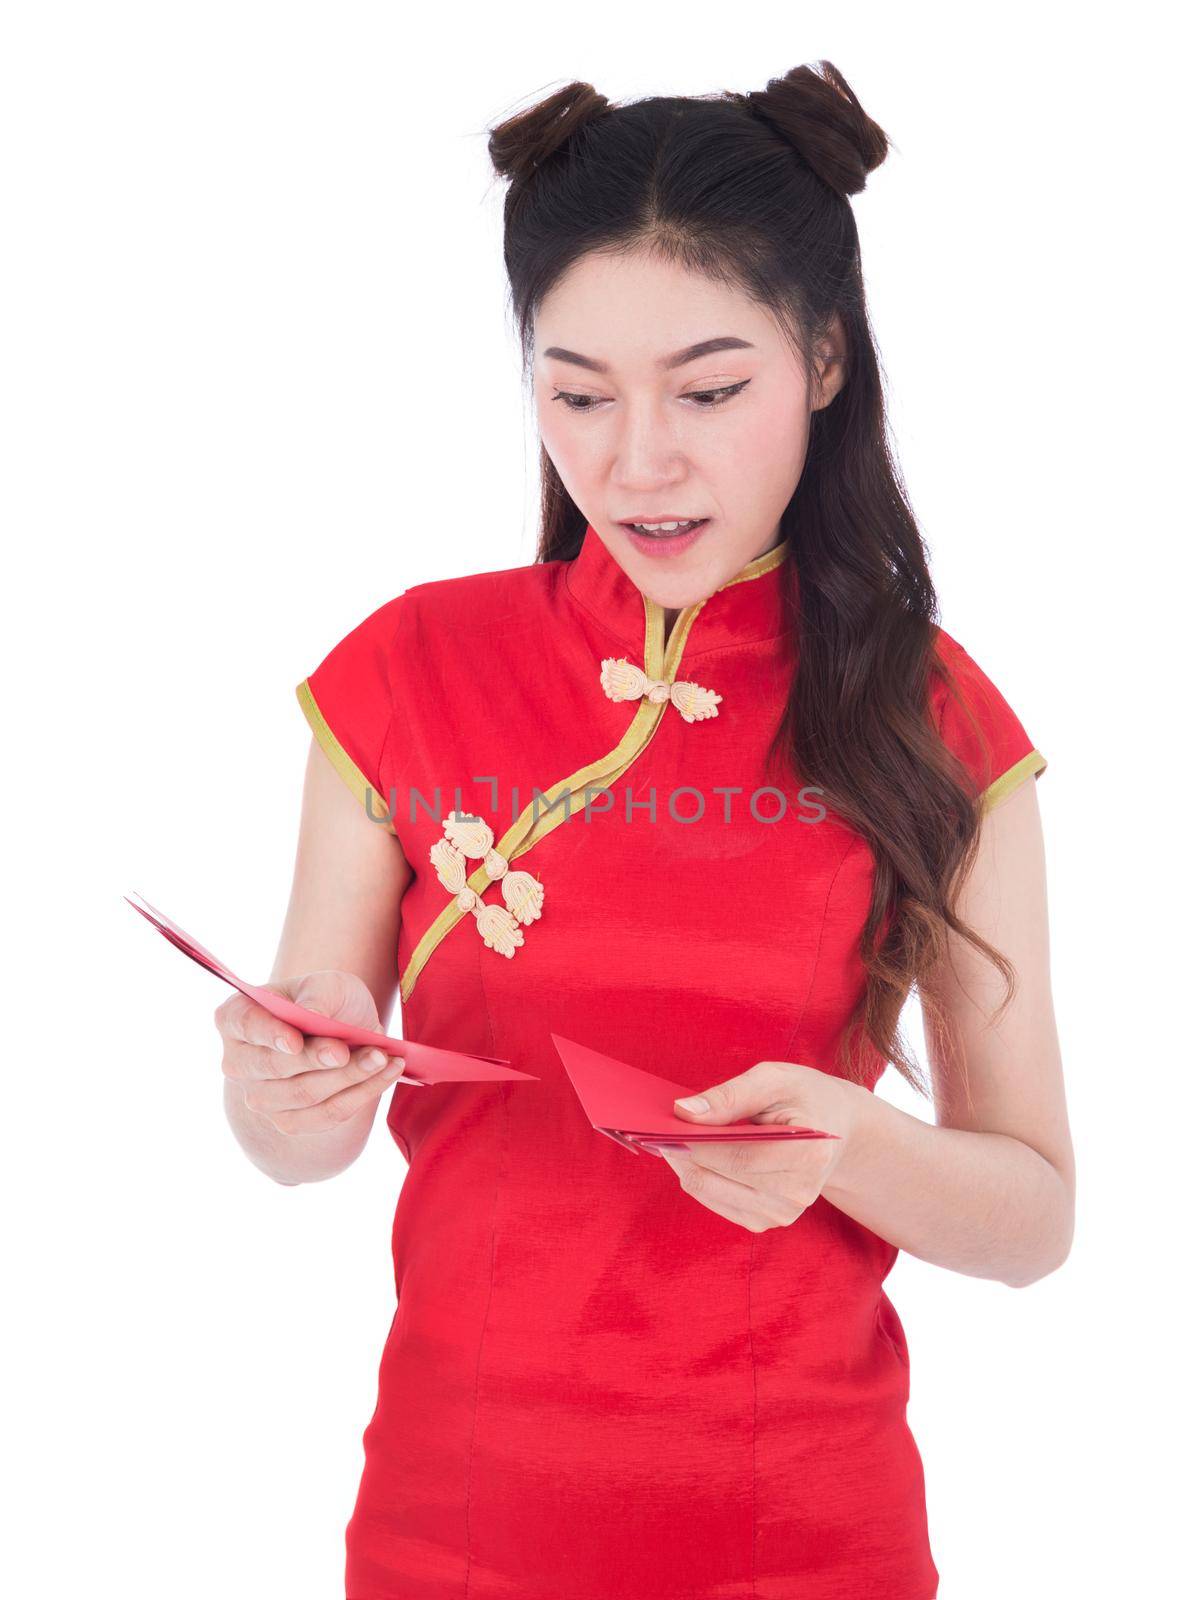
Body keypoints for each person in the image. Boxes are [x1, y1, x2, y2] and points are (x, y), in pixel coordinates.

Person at [215, 62, 1072, 1600]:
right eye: (579, 392)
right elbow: (308, 1131)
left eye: (710, 387)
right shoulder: (406, 670)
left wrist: (849, 1144)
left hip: (803, 1541)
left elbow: (1033, 1220)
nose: (637, 461)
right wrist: (292, 1086)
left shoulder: (934, 721)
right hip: (450, 1527)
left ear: (821, 356)